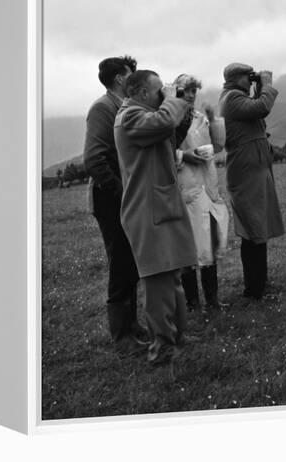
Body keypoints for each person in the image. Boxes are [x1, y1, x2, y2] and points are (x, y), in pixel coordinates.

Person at [114, 70, 198, 364]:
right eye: (157, 89)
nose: (163, 92)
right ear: (141, 93)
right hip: (148, 211)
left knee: (172, 275)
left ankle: (176, 337)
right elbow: (164, 121)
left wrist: (184, 101)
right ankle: (162, 347)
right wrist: (174, 98)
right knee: (159, 282)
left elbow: (171, 130)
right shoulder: (130, 118)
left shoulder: (146, 115)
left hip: (160, 206)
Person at [83, 55, 148, 352]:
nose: (134, 77)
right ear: (121, 79)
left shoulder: (123, 106)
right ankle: (121, 335)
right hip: (111, 196)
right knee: (120, 261)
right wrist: (120, 191)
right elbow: (94, 158)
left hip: (125, 193)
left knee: (131, 261)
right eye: (131, 73)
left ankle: (132, 325)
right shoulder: (102, 108)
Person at [218, 63, 284, 300]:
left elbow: (255, 111)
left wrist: (258, 87)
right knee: (253, 230)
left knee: (259, 229)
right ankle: (254, 289)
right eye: (249, 77)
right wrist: (266, 85)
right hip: (247, 173)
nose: (251, 79)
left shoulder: (236, 97)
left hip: (253, 170)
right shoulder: (232, 98)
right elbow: (262, 107)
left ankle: (260, 283)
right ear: (237, 79)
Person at [172, 73, 230, 312]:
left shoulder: (199, 117)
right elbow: (163, 151)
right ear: (176, 92)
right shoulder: (169, 120)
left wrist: (213, 119)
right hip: (186, 187)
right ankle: (193, 302)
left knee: (211, 245)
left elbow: (217, 146)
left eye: (193, 91)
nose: (189, 96)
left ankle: (213, 299)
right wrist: (184, 155)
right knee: (189, 249)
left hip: (207, 184)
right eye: (184, 91)